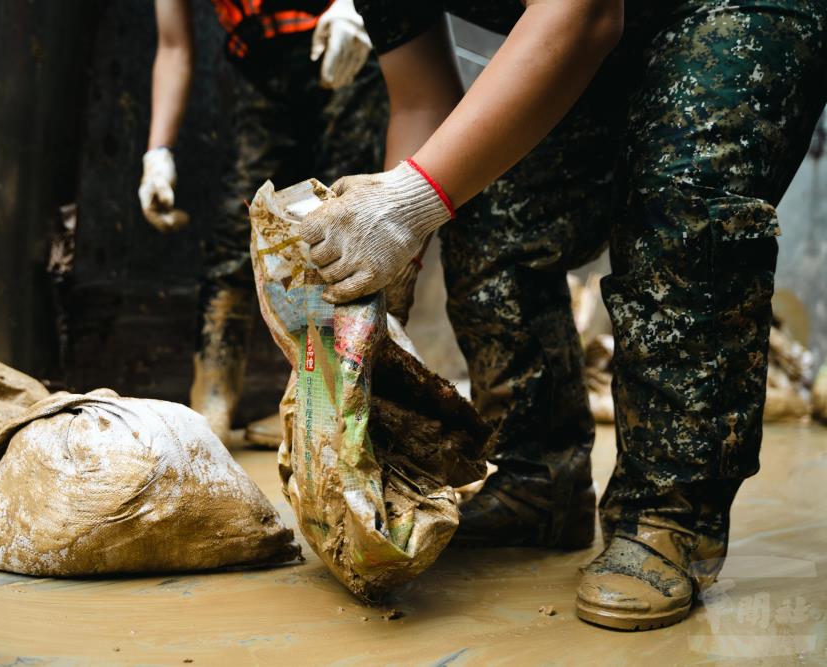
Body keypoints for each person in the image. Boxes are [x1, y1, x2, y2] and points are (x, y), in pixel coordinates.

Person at [299, 0, 827, 630]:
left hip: (726, 8)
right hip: (609, 34)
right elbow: (422, 103)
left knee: (683, 200)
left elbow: (581, 15)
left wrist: (408, 205)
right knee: (483, 198)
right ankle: (537, 483)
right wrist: (392, 248)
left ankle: (669, 515)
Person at [138, 0, 397, 443]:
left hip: (342, 41)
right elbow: (174, 44)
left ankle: (337, 408)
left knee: (344, 222)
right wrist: (157, 153)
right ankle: (213, 405)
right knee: (238, 228)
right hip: (260, 67)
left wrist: (359, 6)